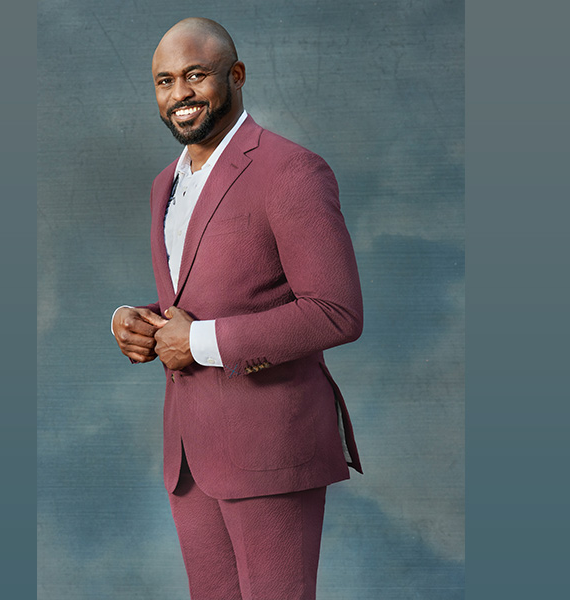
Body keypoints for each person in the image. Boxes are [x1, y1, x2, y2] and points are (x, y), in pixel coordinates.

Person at [110, 17, 363, 600]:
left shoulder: (291, 170)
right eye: (164, 81)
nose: (180, 96)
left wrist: (197, 343)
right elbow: (201, 298)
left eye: (195, 75)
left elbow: (336, 310)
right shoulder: (164, 184)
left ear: (237, 75)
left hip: (271, 444)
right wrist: (136, 319)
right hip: (189, 455)